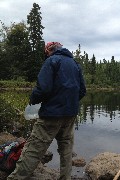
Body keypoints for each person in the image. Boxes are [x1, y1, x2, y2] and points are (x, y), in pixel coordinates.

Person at [7, 42, 86, 180]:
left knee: (33, 150)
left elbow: (43, 89)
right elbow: (82, 91)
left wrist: (32, 100)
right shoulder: (75, 64)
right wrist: (69, 104)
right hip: (70, 115)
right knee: (66, 151)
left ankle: (15, 178)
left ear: (49, 51)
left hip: (51, 115)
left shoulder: (52, 61)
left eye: (45, 53)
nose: (46, 55)